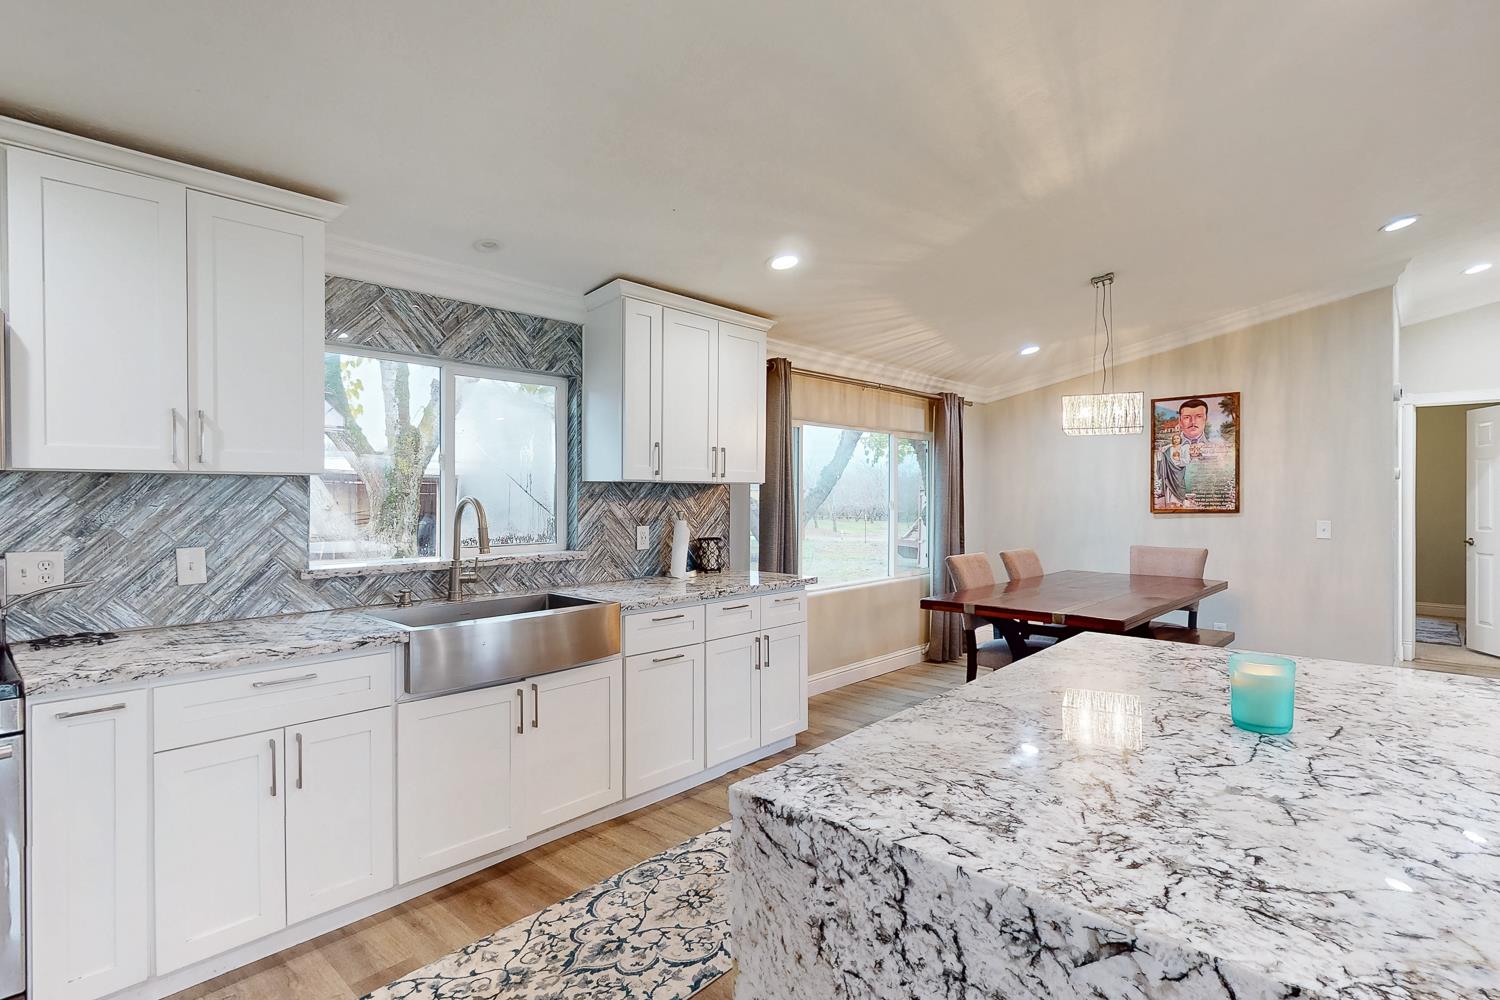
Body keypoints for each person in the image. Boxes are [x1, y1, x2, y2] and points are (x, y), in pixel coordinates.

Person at [1156, 398, 1212, 504]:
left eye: (1199, 416)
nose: (1193, 422)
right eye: (1187, 417)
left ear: (1206, 419)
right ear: (1180, 421)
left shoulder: (1215, 448)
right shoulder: (1167, 449)